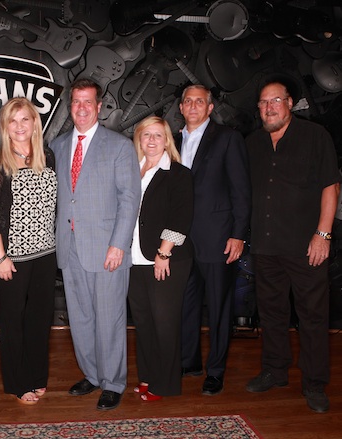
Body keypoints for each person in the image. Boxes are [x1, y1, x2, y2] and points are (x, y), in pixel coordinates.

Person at [245, 80, 339, 413]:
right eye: (263, 102)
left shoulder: (315, 137)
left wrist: (323, 234)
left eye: (275, 101)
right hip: (265, 245)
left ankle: (314, 384)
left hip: (306, 245)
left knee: (313, 317)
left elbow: (330, 186)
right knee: (271, 314)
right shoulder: (252, 143)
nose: (269, 107)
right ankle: (275, 370)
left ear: (289, 103)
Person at [50, 78, 140, 411]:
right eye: (76, 102)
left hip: (106, 250)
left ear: (100, 107)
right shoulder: (57, 147)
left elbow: (129, 199)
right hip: (69, 248)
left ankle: (114, 381)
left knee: (110, 318)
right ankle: (92, 373)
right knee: (81, 317)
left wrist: (119, 244)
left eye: (89, 102)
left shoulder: (118, 146)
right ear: (69, 106)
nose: (82, 108)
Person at [176, 84, 251, 396]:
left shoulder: (228, 138)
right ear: (181, 108)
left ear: (210, 108)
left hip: (219, 238)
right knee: (185, 304)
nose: (193, 106)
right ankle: (189, 361)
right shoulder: (171, 140)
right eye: (188, 101)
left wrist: (238, 235)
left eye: (200, 101)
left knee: (219, 308)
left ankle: (215, 371)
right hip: (181, 241)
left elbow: (241, 191)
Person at [0, 97, 57, 405]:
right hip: (12, 257)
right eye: (13, 121)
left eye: (25, 119)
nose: (19, 126)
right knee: (13, 320)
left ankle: (38, 376)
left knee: (40, 318)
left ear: (34, 123)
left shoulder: (47, 156)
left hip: (46, 254)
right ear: (4, 126)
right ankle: (18, 382)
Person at [128, 116, 194, 401]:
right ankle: (147, 377)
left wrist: (164, 252)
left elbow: (181, 218)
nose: (152, 140)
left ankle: (165, 384)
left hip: (166, 259)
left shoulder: (178, 173)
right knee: (143, 322)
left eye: (158, 135)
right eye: (146, 135)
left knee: (164, 323)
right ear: (139, 139)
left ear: (167, 140)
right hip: (134, 258)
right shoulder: (132, 171)